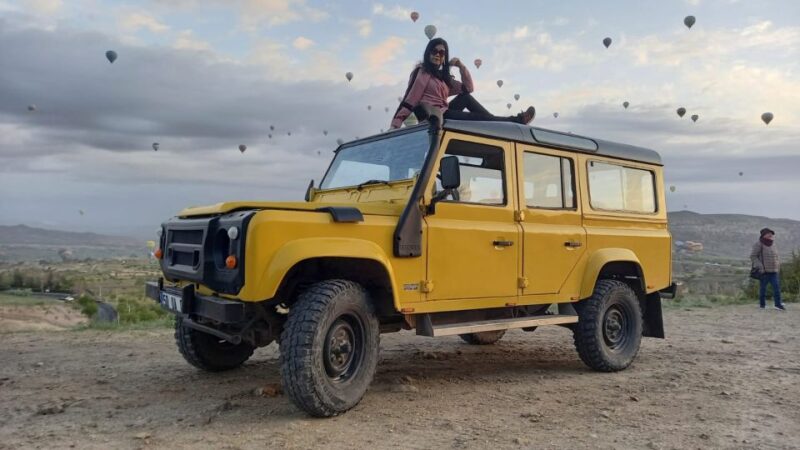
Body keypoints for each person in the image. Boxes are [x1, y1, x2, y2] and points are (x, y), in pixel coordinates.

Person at [390, 38, 535, 129]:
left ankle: (496, 123)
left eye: (442, 53)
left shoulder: (443, 78)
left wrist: (460, 66)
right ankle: (515, 120)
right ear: (428, 53)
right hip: (432, 116)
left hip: (444, 111)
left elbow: (468, 88)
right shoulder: (422, 72)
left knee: (466, 98)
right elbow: (410, 99)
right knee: (480, 118)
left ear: (444, 57)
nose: (437, 55)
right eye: (434, 51)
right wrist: (395, 124)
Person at [750, 227, 786, 311]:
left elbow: (776, 257)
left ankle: (778, 304)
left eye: (771, 233)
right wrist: (760, 267)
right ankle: (762, 305)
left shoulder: (773, 244)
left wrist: (778, 266)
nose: (771, 235)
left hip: (774, 271)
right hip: (764, 271)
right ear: (763, 235)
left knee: (776, 288)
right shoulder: (758, 244)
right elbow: (753, 256)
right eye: (768, 233)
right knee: (763, 289)